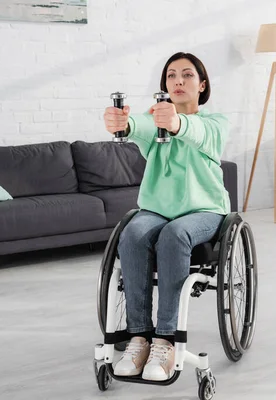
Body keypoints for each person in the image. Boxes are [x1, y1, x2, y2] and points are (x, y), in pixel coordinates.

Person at [103, 52, 230, 381]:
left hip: (205, 211)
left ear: (202, 85)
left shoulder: (216, 123)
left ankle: (166, 339)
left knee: (175, 234)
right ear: (165, 85)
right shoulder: (153, 121)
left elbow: (196, 133)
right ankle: (139, 337)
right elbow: (139, 126)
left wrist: (174, 123)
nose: (178, 80)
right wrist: (124, 123)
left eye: (187, 75)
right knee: (131, 233)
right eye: (172, 75)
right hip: (156, 210)